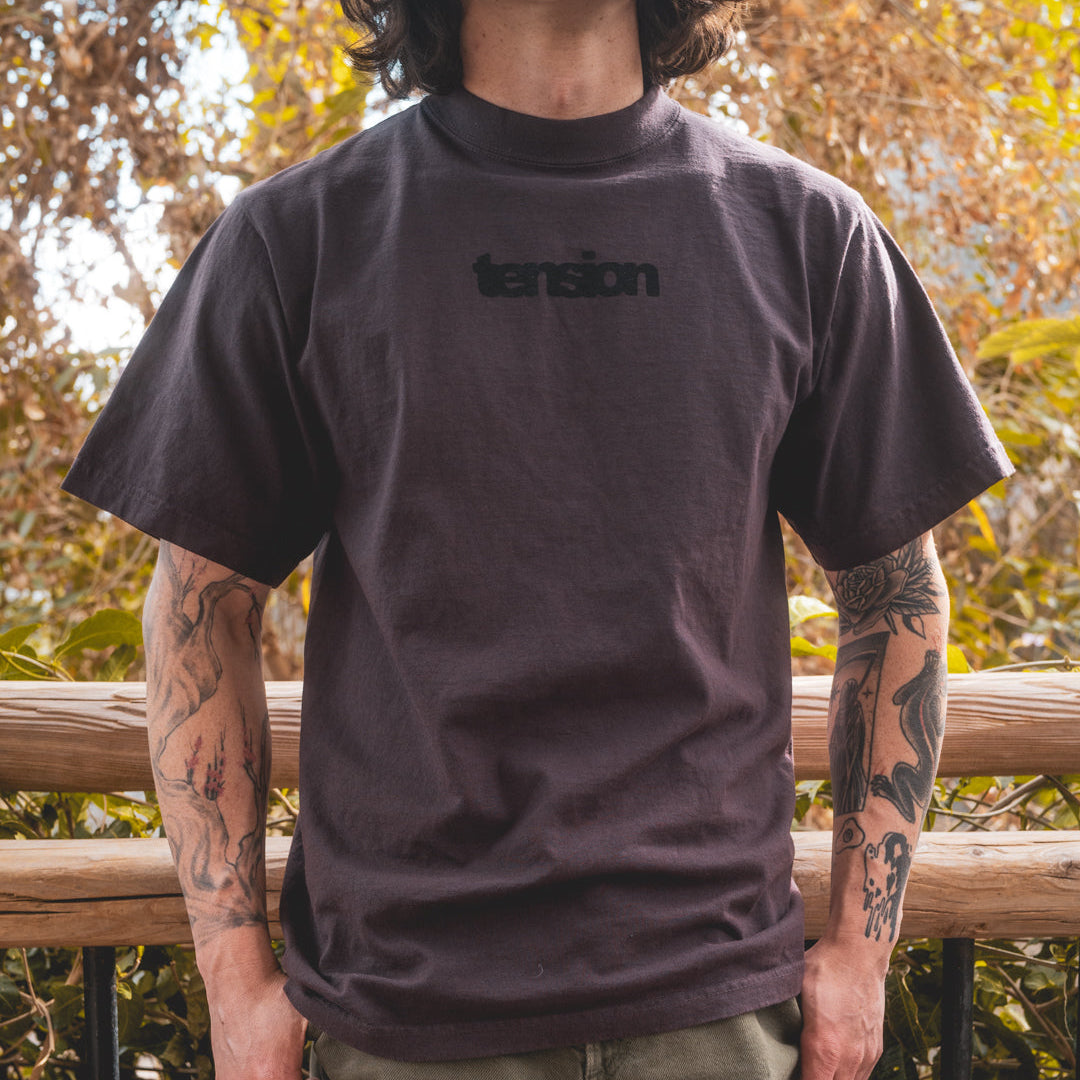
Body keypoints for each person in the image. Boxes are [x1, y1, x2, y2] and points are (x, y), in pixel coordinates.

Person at [61, 1, 1012, 1078]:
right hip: (405, 1018)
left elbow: (895, 595)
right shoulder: (298, 238)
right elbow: (201, 607)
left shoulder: (805, 231)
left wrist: (862, 952)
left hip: (717, 1014)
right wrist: (235, 986)